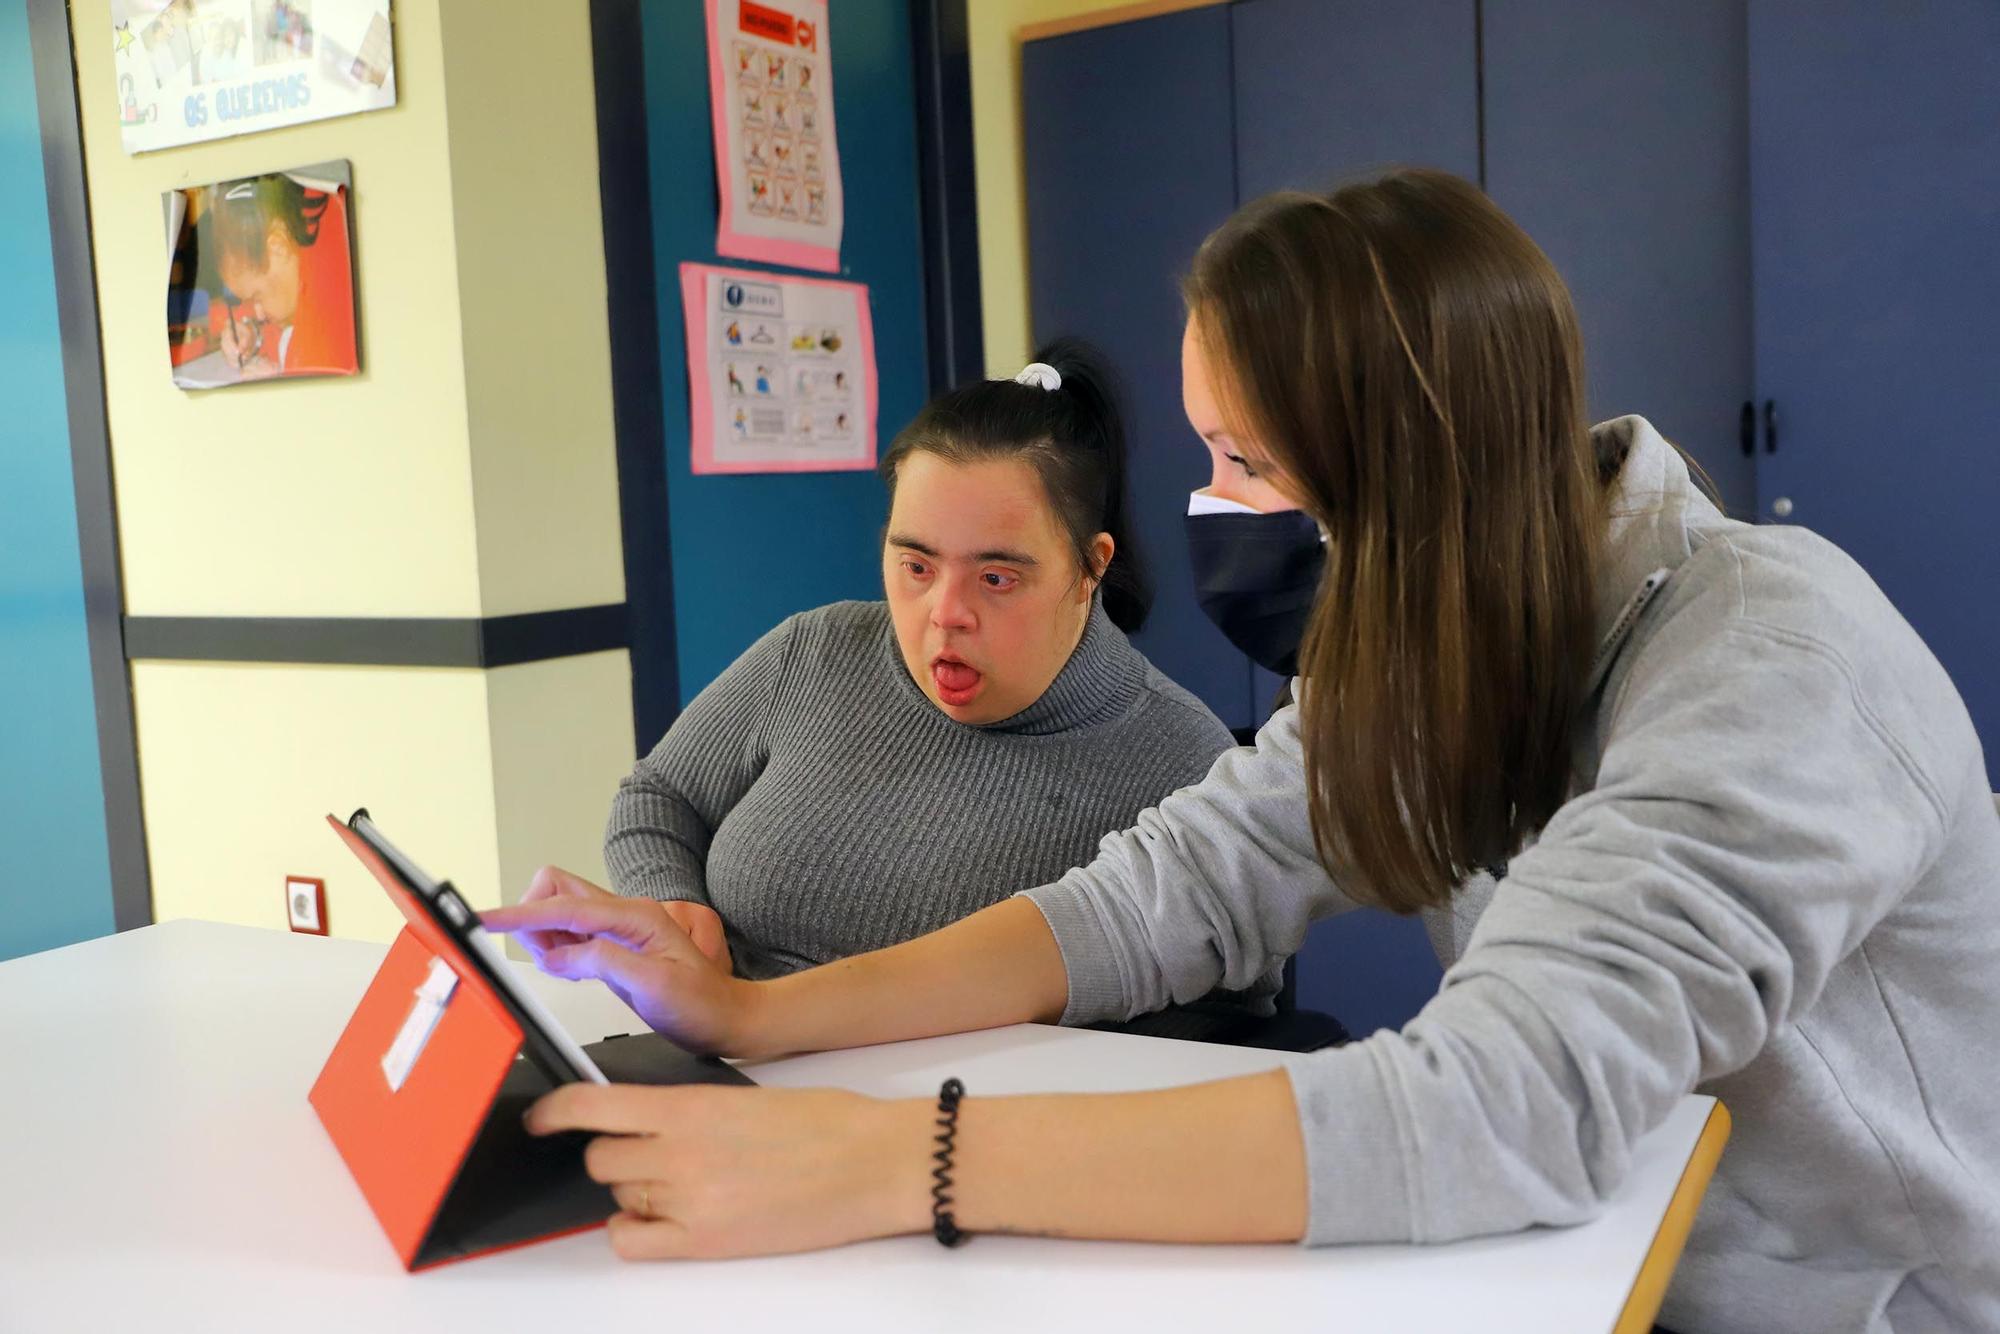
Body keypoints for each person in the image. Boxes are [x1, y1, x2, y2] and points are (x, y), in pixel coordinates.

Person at [483, 171, 2000, 1331]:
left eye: (1248, 462)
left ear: (1395, 467)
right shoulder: (1448, 611)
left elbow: (1503, 1103)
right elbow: (1170, 889)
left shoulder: (1770, 660)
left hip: (1866, 1300)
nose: (1212, 505)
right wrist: (754, 1013)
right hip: (1577, 1261)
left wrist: (892, 1164)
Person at [579, 338, 1255, 1003]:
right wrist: (670, 901)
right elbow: (660, 795)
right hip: (720, 1068)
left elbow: (1222, 1024)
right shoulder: (815, 651)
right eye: (916, 568)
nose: (945, 613)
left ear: (1090, 568)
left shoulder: (1186, 764)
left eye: (995, 577)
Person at [210, 171, 356, 379]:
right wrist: (254, 334)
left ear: (278, 248)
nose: (258, 313)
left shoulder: (330, 300)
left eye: (257, 297)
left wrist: (278, 382)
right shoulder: (297, 271)